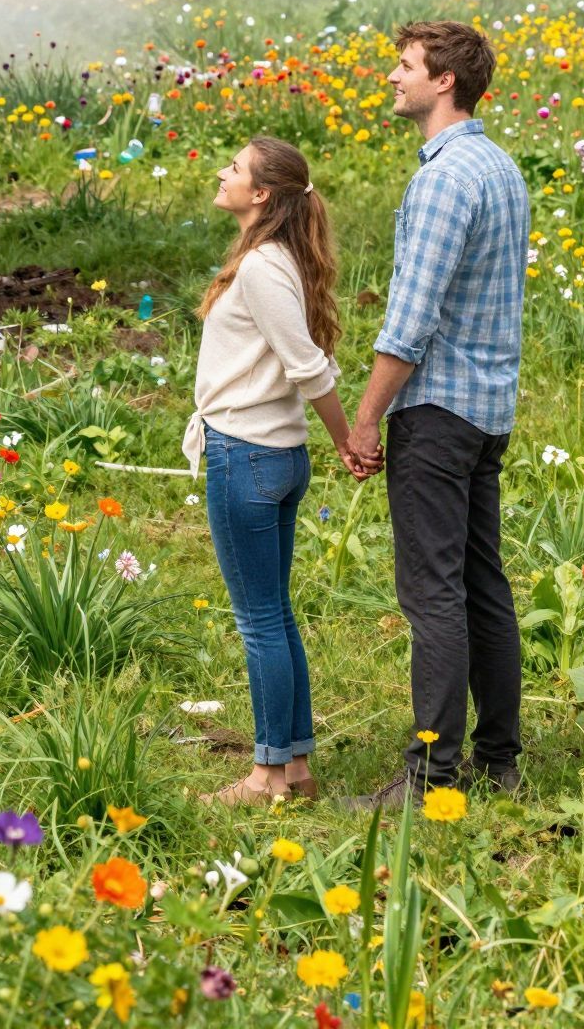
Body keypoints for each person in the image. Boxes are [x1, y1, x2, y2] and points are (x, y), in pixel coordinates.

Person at [348, 20, 530, 805]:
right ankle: (499, 759)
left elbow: (410, 321)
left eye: (405, 65)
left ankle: (429, 776)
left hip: (438, 411)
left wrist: (362, 422)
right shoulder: (501, 167)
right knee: (482, 585)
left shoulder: (445, 178)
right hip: (488, 410)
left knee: (433, 593)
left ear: (444, 81)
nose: (393, 76)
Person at [184, 133, 367, 806]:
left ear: (261, 194)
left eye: (233, 167)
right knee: (275, 615)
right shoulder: (278, 258)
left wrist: (348, 440)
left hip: (248, 456)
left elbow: (307, 366)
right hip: (277, 457)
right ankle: (295, 768)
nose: (221, 171)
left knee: (260, 621)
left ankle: (266, 777)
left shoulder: (263, 267)